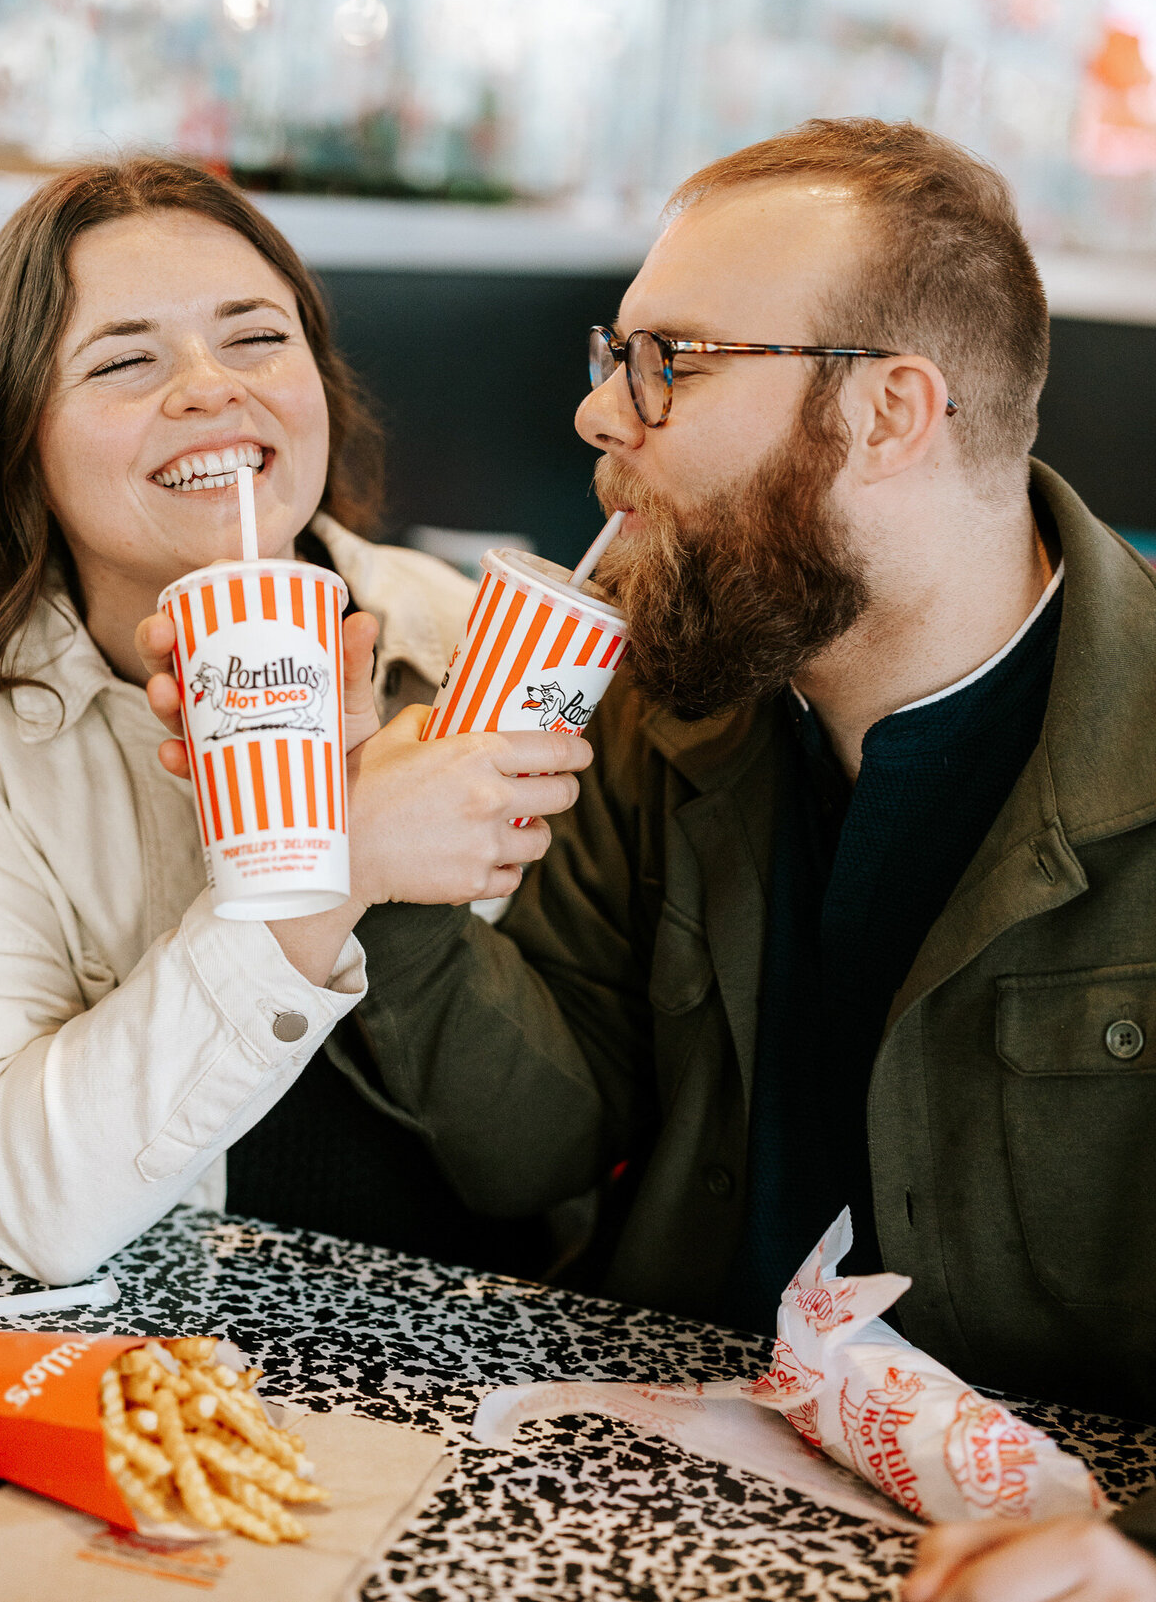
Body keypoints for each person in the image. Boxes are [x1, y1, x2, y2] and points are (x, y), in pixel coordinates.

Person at [141, 118, 1156, 1596]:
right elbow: (540, 1141)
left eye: (668, 363)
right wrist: (378, 859)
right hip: (669, 1466)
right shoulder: (679, 707)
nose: (595, 414)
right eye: (615, 352)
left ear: (889, 414)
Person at [0, 154, 589, 1289]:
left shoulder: (478, 646)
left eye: (256, 338)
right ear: (21, 440)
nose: (210, 388)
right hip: (176, 1361)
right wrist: (333, 866)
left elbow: (563, 1149)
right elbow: (29, 1206)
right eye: (124, 358)